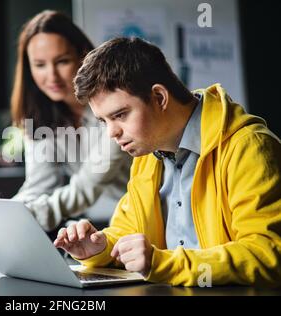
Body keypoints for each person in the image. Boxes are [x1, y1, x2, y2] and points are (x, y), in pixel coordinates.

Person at [54, 37, 281, 287]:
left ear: (160, 98)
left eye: (120, 115)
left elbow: (268, 253)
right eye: (104, 121)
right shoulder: (148, 155)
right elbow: (128, 230)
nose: (111, 133)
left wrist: (161, 263)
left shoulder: (248, 146)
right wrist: (99, 248)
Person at [10, 10, 131, 232]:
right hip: (106, 225)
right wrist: (7, 213)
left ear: (84, 56)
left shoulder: (114, 106)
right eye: (39, 65)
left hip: (145, 219)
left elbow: (87, 185)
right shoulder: (42, 115)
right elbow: (38, 186)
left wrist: (26, 218)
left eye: (62, 61)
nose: (51, 76)